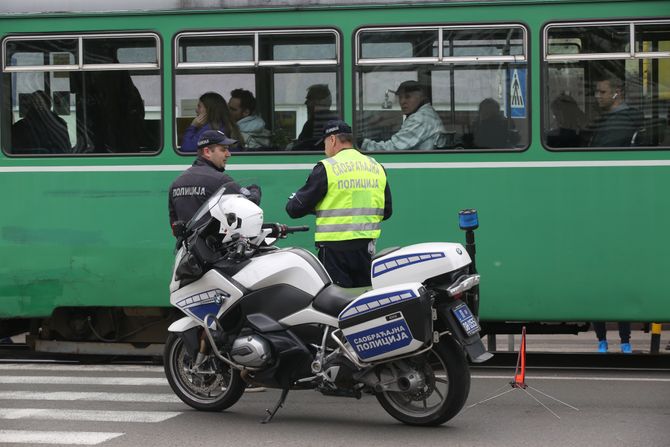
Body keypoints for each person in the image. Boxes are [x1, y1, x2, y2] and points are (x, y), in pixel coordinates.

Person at [286, 120, 392, 287]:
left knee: (336, 304)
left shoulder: (327, 168)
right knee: (364, 301)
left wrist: (298, 201)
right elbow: (386, 211)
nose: (324, 149)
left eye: (325, 143)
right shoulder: (376, 166)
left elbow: (295, 209)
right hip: (366, 249)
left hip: (334, 252)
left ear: (333, 140)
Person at [169, 129, 261, 229]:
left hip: (186, 244)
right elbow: (249, 204)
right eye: (223, 149)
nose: (228, 154)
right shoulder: (220, 181)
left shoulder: (176, 183)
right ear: (207, 152)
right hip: (214, 244)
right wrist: (255, 190)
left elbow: (174, 222)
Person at [361, 80, 447, 151]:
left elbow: (394, 148)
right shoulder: (423, 113)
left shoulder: (421, 118)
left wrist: (362, 144)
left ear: (421, 97)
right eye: (400, 97)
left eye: (407, 97)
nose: (402, 102)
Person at [588, 76, 643, 147]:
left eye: (602, 92)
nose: (597, 96)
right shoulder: (614, 117)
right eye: (596, 92)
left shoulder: (620, 121)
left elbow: (605, 152)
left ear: (617, 93)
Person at [291, 84, 339, 150]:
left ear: (319, 101)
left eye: (309, 99)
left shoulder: (315, 122)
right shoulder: (336, 120)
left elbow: (305, 146)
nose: (306, 103)